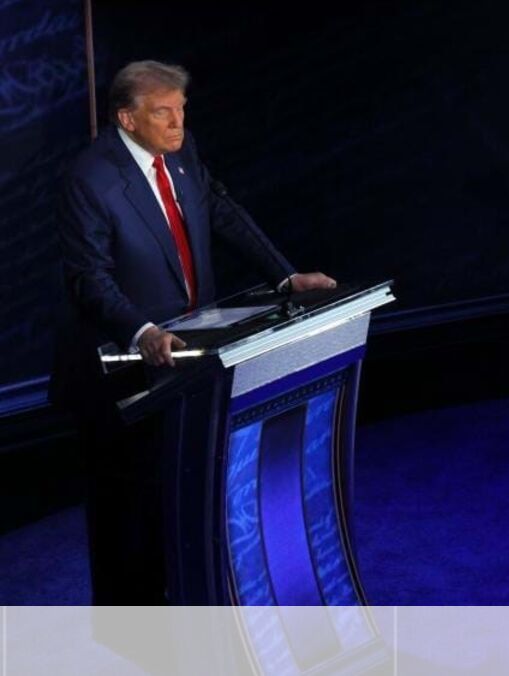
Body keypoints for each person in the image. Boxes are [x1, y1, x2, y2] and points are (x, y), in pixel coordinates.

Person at [51, 60, 336, 603]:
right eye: (164, 113)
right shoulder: (89, 178)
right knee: (128, 520)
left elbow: (223, 214)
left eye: (181, 110)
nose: (178, 124)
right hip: (120, 375)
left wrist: (285, 276)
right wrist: (141, 330)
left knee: (180, 504)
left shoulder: (182, 154)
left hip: (189, 364)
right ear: (127, 118)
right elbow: (89, 277)